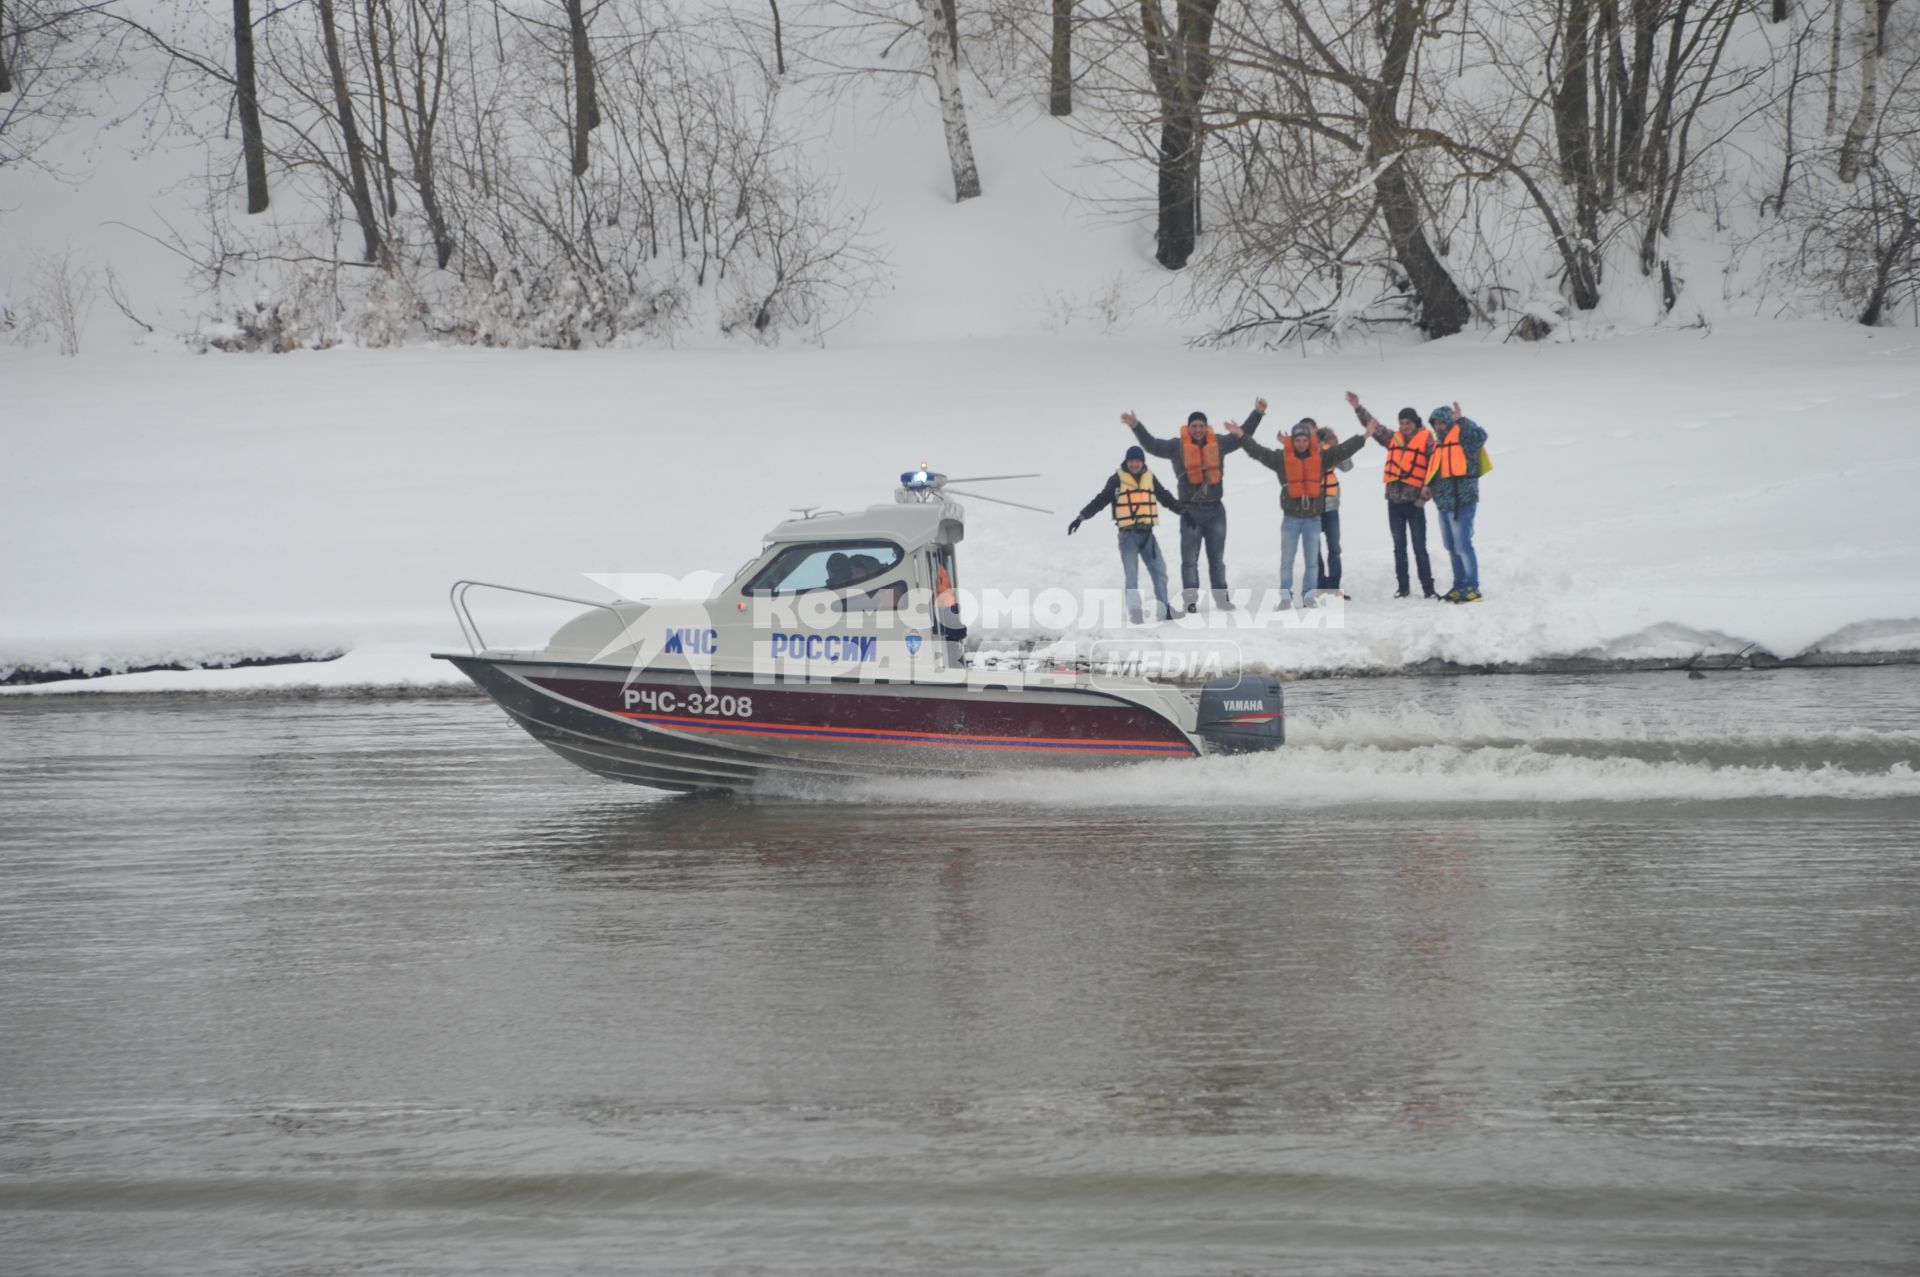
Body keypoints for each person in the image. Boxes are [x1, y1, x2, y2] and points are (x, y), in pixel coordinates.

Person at [1121, 398, 1267, 613]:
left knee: (1216, 559)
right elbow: (1151, 444)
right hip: (1190, 511)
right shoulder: (1176, 447)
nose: (1197, 430)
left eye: (1201, 426)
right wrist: (1136, 425)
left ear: (1206, 427)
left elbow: (1241, 436)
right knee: (1189, 559)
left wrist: (1257, 413)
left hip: (1216, 510)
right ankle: (1190, 600)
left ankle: (1221, 598)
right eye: (1194, 426)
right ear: (1188, 428)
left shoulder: (1218, 443)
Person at [1228, 417, 1368, 607]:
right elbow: (1258, 452)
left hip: (1313, 519)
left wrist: (1365, 435)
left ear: (1309, 440)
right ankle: (1285, 598)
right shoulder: (1281, 459)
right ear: (1292, 441)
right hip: (1291, 520)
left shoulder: (1320, 458)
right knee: (1287, 562)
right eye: (1297, 440)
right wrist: (1241, 435)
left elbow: (1344, 450)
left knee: (1312, 563)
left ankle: (1308, 597)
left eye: (1304, 440)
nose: (1301, 444)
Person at [1069, 444, 1187, 623]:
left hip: (1148, 535)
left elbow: (1165, 497)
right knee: (1132, 575)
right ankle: (1135, 611)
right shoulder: (1116, 479)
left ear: (1142, 462)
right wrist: (1081, 517)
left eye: (1138, 461)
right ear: (1127, 461)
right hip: (1127, 536)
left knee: (1160, 571)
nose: (1134, 464)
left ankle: (1164, 608)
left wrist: (1184, 512)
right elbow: (1100, 500)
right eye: (1131, 461)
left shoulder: (1149, 477)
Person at [1346, 391, 1439, 599]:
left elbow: (1435, 468)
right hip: (1394, 503)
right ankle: (1403, 588)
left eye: (1407, 422)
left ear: (1415, 422)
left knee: (1419, 548)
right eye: (1401, 422)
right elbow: (1374, 426)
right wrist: (1357, 407)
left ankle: (1428, 589)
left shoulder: (1427, 441)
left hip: (1415, 503)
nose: (1404, 426)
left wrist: (1426, 493)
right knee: (1399, 548)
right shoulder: (1393, 438)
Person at [1422, 402, 1489, 603]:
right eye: (1436, 423)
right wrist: (1428, 486)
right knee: (1451, 546)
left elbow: (1481, 436)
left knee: (1463, 545)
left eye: (1442, 422)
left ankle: (1472, 587)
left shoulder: (1464, 438)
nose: (1438, 427)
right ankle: (1459, 585)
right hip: (1444, 504)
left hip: (1463, 501)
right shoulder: (1438, 446)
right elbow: (1436, 472)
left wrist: (1461, 420)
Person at [1313, 425, 1356, 599]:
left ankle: (1333, 586)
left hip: (1331, 506)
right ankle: (1320, 584)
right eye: (1332, 437)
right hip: (1313, 507)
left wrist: (1341, 449)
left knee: (1334, 548)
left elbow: (1347, 466)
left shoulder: (1333, 452)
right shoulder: (1312, 451)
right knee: (1315, 548)